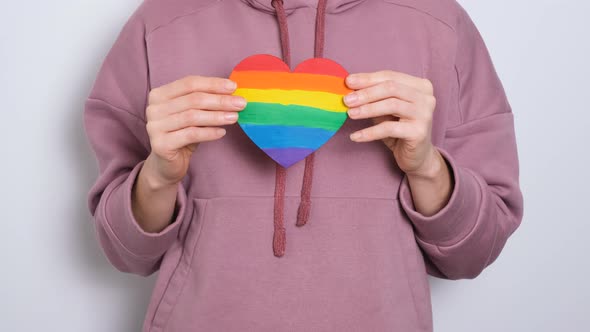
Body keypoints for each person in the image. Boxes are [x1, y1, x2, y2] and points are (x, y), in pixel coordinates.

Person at [83, 0, 524, 331]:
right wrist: (158, 177)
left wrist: (427, 167)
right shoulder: (161, 22)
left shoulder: (437, 21)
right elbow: (123, 252)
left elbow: (475, 253)